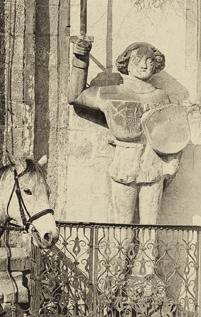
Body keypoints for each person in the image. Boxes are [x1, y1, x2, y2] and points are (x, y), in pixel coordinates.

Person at [69, 40, 188, 224]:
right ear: (126, 62)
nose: (143, 64)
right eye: (138, 59)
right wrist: (80, 59)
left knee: (151, 228)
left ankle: (148, 254)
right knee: (121, 226)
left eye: (149, 61)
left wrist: (172, 163)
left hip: (152, 164)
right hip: (124, 163)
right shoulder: (112, 93)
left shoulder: (160, 97)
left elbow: (174, 134)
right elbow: (76, 96)